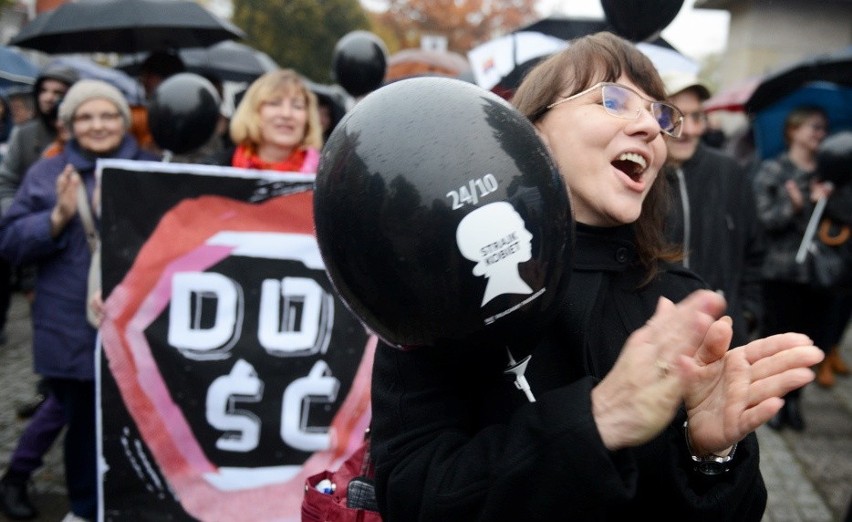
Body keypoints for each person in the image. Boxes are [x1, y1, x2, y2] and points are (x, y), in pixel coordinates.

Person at [368, 32, 823, 521]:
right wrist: (597, 419)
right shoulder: (445, 288)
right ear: (531, 131)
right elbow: (412, 493)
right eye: (614, 99)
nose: (650, 126)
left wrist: (708, 454)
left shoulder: (680, 303)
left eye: (659, 113)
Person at [0, 79, 159, 522]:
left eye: (108, 115)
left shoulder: (148, 169)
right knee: (83, 427)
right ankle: (85, 508)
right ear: (68, 126)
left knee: (138, 421)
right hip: (69, 326)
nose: (98, 125)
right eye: (86, 117)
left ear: (123, 122)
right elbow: (10, 243)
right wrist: (56, 218)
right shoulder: (47, 174)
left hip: (136, 325)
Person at [660, 71, 766, 345]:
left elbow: (754, 251)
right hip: (659, 344)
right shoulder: (638, 178)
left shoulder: (728, 171)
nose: (691, 130)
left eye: (697, 116)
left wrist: (746, 314)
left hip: (724, 336)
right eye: (676, 116)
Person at [752, 105, 834, 431]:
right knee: (778, 338)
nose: (820, 134)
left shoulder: (828, 176)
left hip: (817, 274)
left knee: (811, 342)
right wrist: (796, 205)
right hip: (780, 272)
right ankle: (774, 402)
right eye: (813, 126)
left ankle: (795, 401)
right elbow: (762, 221)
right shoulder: (774, 170)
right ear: (794, 130)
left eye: (823, 128)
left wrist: (829, 200)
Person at [206, 68, 323, 172]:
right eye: (274, 103)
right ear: (253, 112)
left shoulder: (327, 178)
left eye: (297, 106)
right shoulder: (213, 170)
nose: (286, 114)